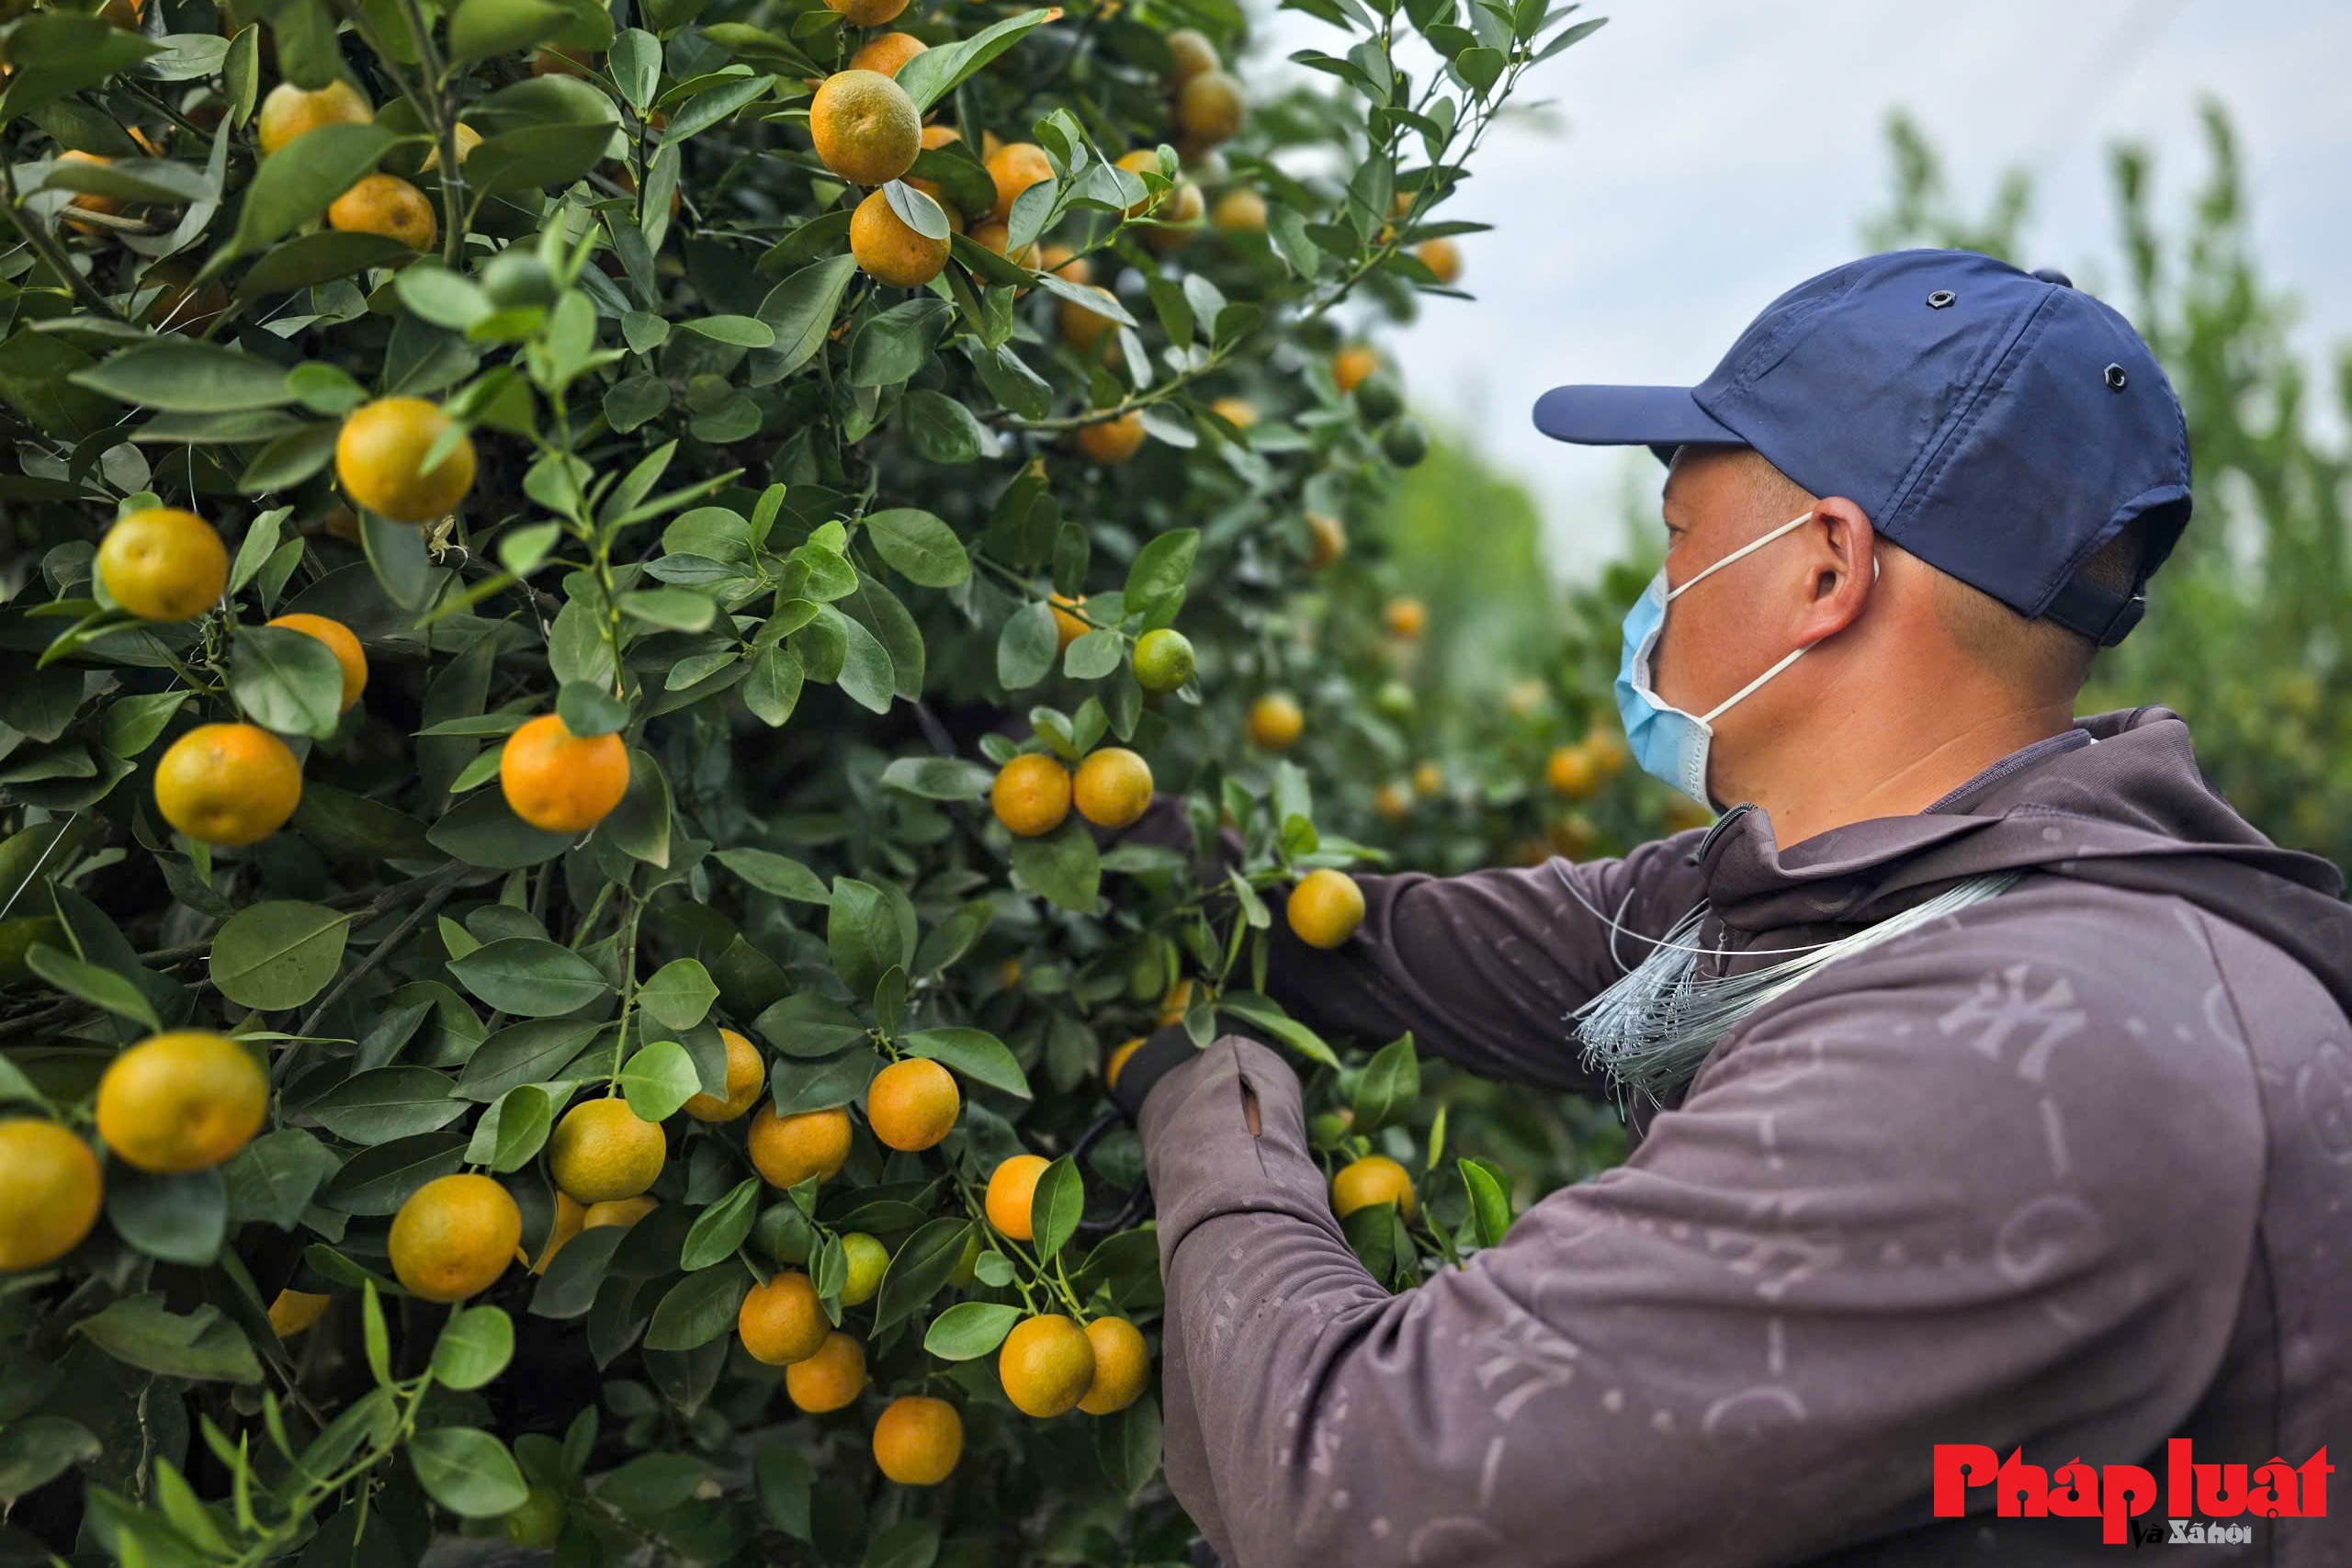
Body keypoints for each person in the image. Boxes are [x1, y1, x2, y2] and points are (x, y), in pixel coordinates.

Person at [1106, 251, 2352, 1566]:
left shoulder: (2008, 1049)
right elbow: (1388, 942)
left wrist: (1208, 1092)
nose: (1658, 600)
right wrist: (1072, 821)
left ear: (1827, 569)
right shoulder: (1902, 896)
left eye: (1679, 542)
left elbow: (1355, 1484)